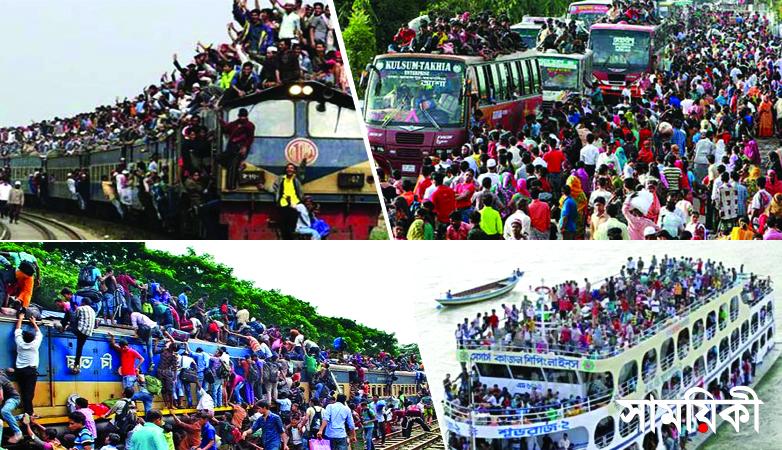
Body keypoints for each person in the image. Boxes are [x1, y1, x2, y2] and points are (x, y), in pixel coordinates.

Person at [218, 108, 255, 191]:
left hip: (239, 147)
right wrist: (220, 120)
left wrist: (245, 147)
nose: (242, 118)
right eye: (241, 116)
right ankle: (232, 169)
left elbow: (250, 138)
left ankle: (231, 186)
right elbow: (226, 128)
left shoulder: (250, 125)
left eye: (244, 116)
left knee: (233, 166)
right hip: (231, 147)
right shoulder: (234, 124)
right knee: (221, 159)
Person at [14, 313, 42, 416]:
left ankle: (27, 412)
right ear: (32, 339)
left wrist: (20, 319)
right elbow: (39, 333)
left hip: (20, 371)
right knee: (29, 393)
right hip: (30, 372)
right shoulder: (35, 345)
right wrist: (34, 323)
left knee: (23, 391)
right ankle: (29, 413)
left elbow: (17, 331)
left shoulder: (20, 343)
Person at [273, 163, 304, 240]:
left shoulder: (297, 180)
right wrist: (264, 188)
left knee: (292, 227)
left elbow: (302, 172)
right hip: (283, 204)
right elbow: (274, 189)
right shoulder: (280, 179)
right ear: (286, 170)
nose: (290, 169)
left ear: (294, 170)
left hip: (294, 205)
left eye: (292, 168)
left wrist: (303, 162)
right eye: (288, 168)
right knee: (283, 227)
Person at [71, 298, 96, 374]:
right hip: (87, 333)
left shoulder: (80, 308)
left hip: (79, 330)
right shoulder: (93, 311)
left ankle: (62, 328)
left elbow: (74, 318)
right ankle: (76, 366)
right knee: (79, 348)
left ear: (83, 302)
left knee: (69, 313)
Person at [0, 369, 23, 444]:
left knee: (4, 411)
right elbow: (7, 370)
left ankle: (18, 432)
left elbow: (1, 397)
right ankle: (21, 416)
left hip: (14, 398)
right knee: (3, 418)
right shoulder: (2, 373)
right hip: (7, 400)